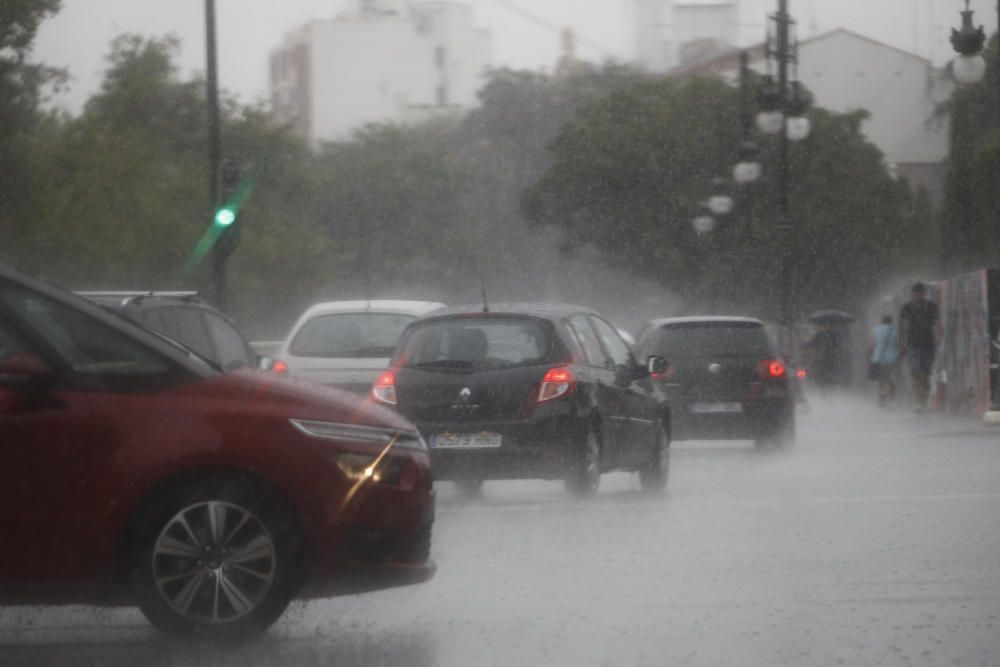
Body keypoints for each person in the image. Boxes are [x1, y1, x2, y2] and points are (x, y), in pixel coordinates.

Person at [899, 282, 941, 412]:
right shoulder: (906, 308)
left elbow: (937, 325)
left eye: (921, 293)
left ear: (924, 293)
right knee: (916, 373)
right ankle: (918, 401)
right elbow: (903, 327)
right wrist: (903, 344)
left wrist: (938, 341)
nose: (918, 296)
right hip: (913, 345)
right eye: (916, 294)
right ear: (912, 294)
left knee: (925, 375)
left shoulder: (931, 307)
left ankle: (924, 399)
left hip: (928, 345)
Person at [868, 315, 900, 407]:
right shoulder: (894, 330)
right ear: (891, 321)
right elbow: (898, 344)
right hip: (891, 359)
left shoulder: (876, 330)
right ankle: (891, 398)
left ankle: (881, 395)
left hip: (878, 358)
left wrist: (870, 356)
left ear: (881, 321)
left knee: (880, 379)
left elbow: (871, 344)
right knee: (891, 379)